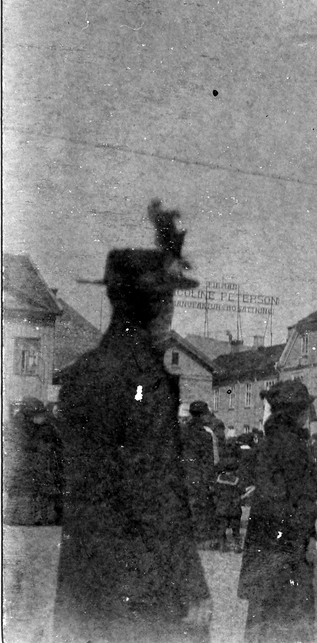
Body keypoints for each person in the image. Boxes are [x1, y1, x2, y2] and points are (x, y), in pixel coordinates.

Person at [53, 200, 212, 643]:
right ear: (153, 308)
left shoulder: (82, 374)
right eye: (166, 301)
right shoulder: (146, 382)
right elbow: (156, 490)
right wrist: (191, 584)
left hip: (85, 575)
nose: (170, 313)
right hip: (140, 583)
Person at [238, 380, 317, 643]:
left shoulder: (268, 442)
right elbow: (301, 501)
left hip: (263, 548)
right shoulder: (295, 448)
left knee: (261, 620)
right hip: (287, 552)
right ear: (297, 412)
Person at [3, 396, 63, 526]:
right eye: (39, 414)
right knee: (25, 493)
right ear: (30, 415)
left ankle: (42, 517)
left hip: (41, 468)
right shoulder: (16, 426)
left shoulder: (47, 427)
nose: (43, 417)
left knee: (42, 492)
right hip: (25, 470)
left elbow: (57, 443)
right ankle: (25, 517)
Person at [182, 399, 220, 549]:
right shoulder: (205, 435)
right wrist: (210, 481)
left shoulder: (180, 430)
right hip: (198, 477)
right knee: (200, 508)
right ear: (203, 415)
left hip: (183, 475)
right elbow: (208, 461)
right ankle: (199, 539)